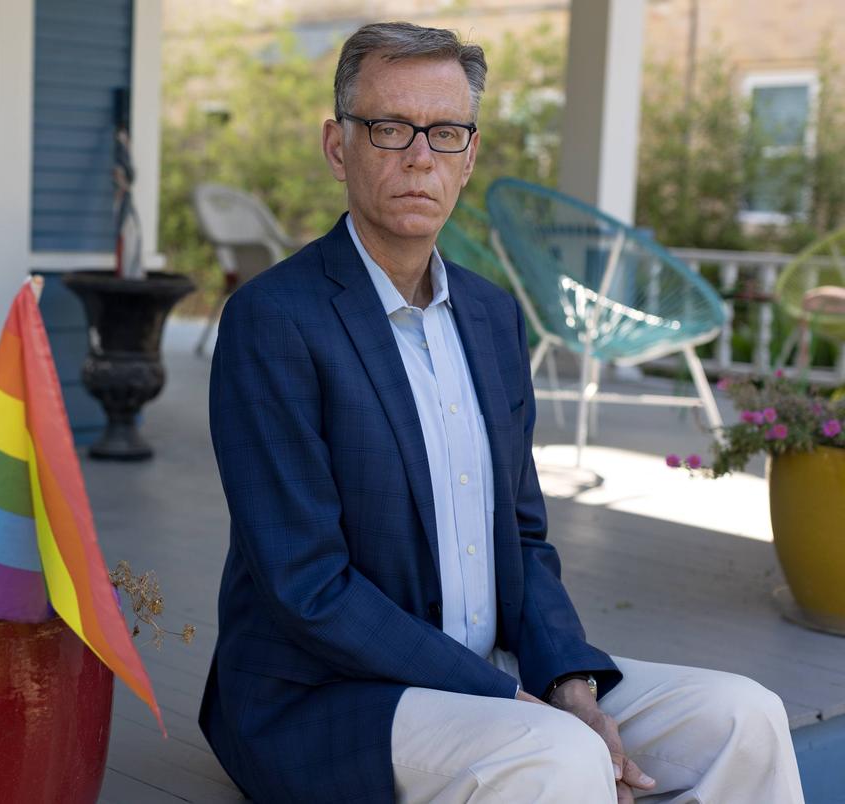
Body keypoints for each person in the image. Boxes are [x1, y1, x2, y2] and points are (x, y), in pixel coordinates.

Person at [198, 20, 805, 804]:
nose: (420, 156)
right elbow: (306, 584)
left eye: (445, 132)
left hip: (497, 669)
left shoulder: (490, 316)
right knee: (557, 759)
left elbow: (523, 536)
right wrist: (510, 703)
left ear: (470, 154)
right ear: (337, 144)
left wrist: (572, 683)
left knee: (745, 718)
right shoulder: (274, 320)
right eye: (390, 128)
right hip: (328, 698)